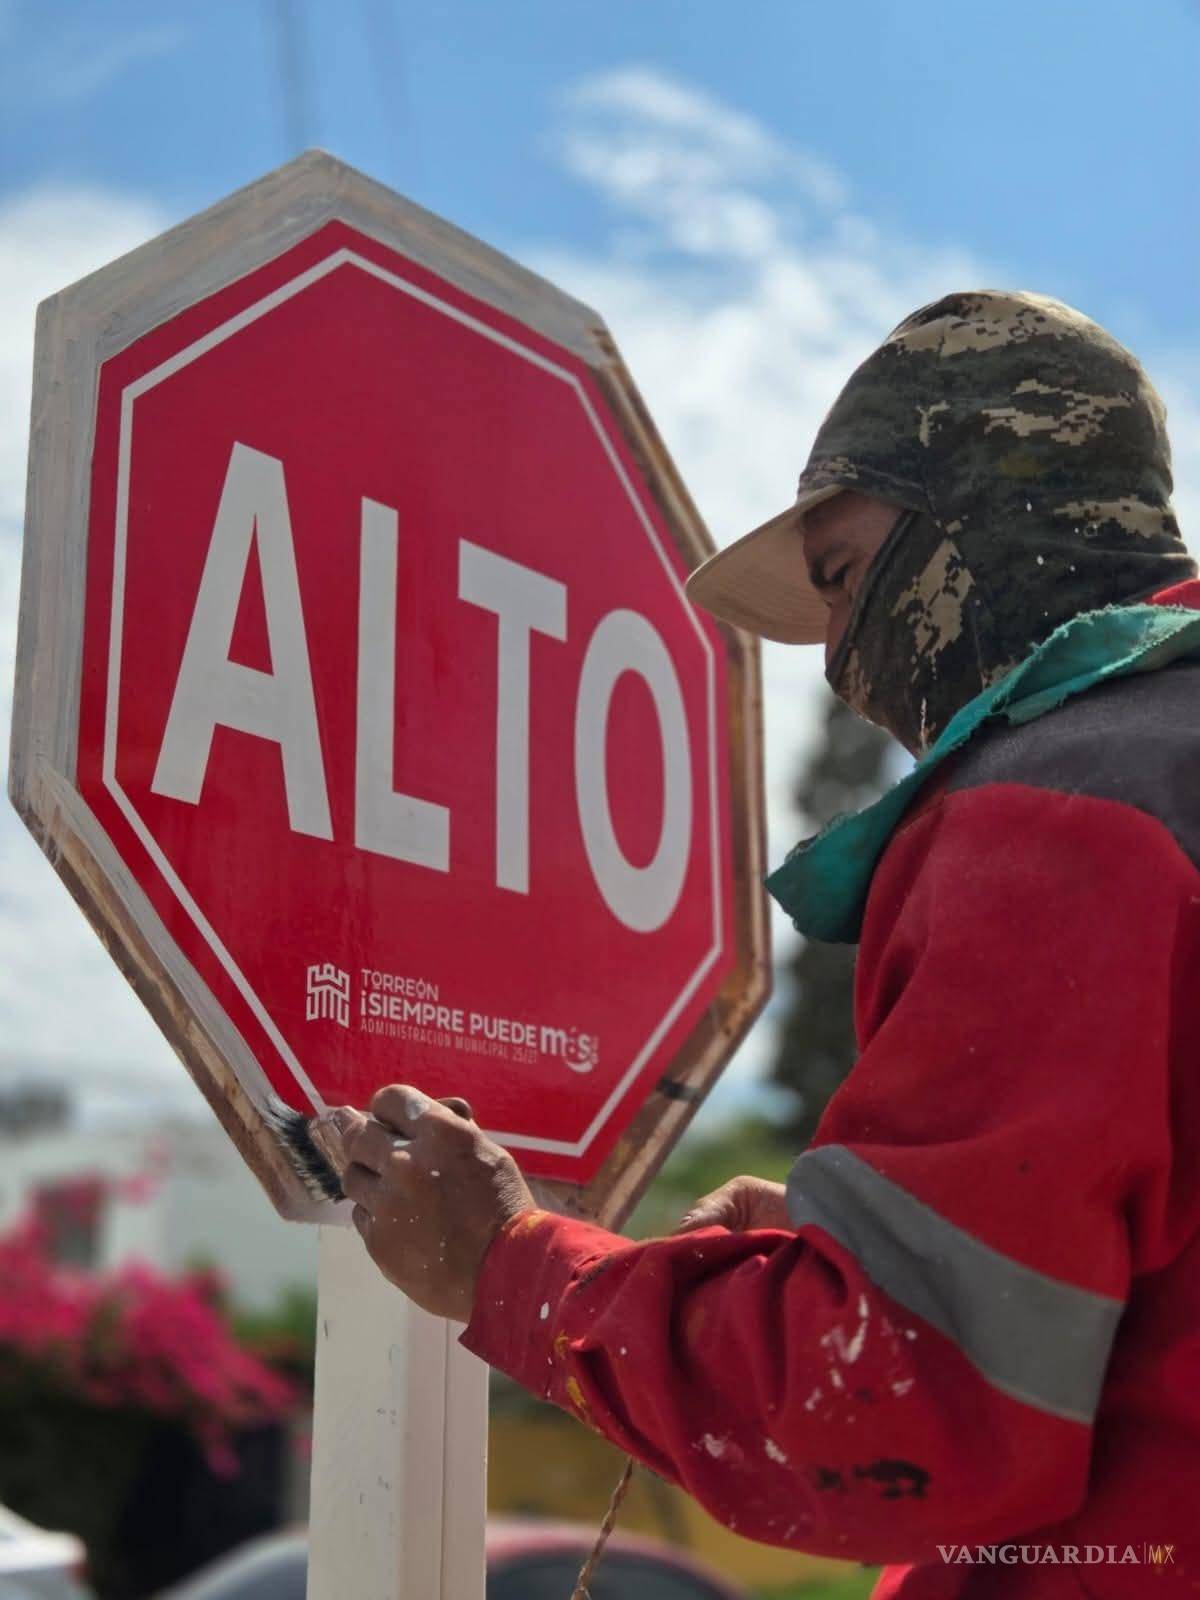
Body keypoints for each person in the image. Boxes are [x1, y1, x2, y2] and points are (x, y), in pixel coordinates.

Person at [331, 291, 1200, 1596]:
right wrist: (865, 1243)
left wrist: (513, 1268)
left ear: (985, 515)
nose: (842, 656)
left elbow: (895, 1407)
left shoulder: (1067, 814)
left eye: (845, 576)